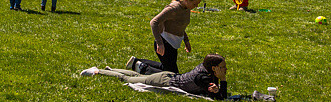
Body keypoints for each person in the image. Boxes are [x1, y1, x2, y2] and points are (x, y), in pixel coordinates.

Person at [81, 54, 227, 100]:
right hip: (164, 80)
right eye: (223, 67)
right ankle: (97, 71)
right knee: (129, 79)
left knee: (137, 75)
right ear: (214, 68)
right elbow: (221, 97)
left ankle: (112, 70)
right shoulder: (203, 78)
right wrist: (223, 81)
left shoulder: (207, 71)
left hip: (169, 76)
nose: (225, 69)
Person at [150, 0, 203, 73]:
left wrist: (186, 41)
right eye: (194, 4)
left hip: (173, 44)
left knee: (168, 69)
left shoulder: (186, 8)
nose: (196, 6)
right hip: (165, 43)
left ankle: (137, 63)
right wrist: (160, 43)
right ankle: (141, 68)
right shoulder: (173, 8)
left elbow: (180, 25)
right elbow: (153, 22)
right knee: (172, 74)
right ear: (186, 0)